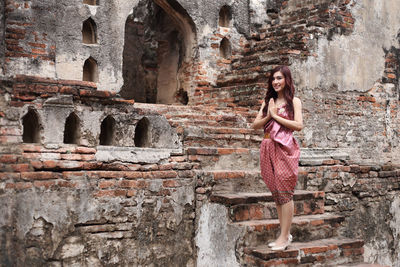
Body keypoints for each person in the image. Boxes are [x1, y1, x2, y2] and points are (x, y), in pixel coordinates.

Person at [251, 65, 303, 251]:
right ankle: (284, 233)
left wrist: (276, 116)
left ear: (286, 80)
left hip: (284, 147)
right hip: (266, 146)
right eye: (273, 79)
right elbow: (255, 125)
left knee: (285, 192)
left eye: (279, 78)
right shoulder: (268, 102)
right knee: (275, 192)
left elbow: (298, 125)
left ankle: (284, 237)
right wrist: (268, 115)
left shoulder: (294, 102)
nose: (276, 82)